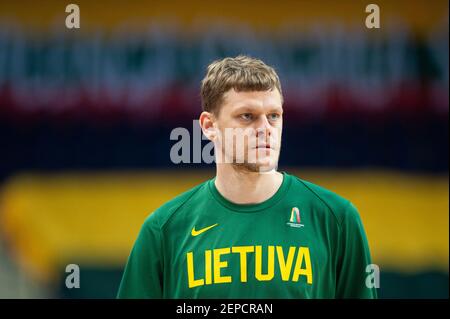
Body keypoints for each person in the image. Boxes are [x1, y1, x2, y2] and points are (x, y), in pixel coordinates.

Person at [117, 55, 377, 298]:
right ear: (209, 126)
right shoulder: (165, 230)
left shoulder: (336, 220)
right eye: (247, 116)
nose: (265, 129)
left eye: (274, 116)